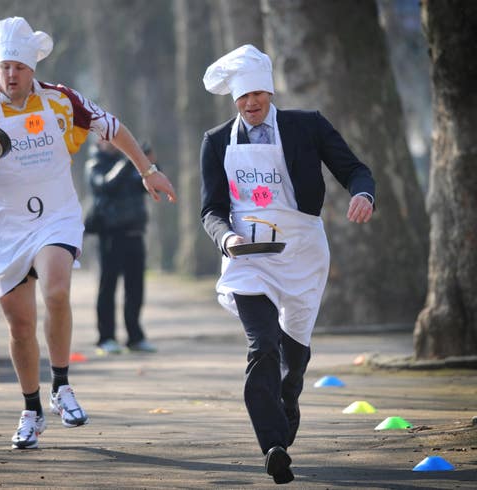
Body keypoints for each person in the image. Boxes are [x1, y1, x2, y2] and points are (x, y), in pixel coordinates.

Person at [0, 17, 176, 450]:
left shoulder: (62, 100)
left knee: (57, 290)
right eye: (5, 67)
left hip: (55, 216)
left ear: (33, 69)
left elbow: (114, 127)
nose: (11, 76)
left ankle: (62, 385)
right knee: (21, 325)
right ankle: (31, 410)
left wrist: (148, 171)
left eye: (19, 68)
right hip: (1, 226)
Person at [200, 45, 375, 484]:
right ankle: (273, 445)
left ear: (270, 92)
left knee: (292, 358)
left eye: (258, 94)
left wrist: (362, 194)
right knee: (262, 345)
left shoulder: (307, 126)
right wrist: (227, 237)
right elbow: (211, 210)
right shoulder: (217, 140)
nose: (251, 103)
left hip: (301, 252)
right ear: (234, 100)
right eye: (243, 97)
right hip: (248, 256)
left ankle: (288, 399)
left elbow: (355, 169)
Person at [85, 140, 156, 355]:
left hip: (135, 232)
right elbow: (106, 185)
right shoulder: (95, 165)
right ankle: (106, 338)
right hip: (110, 235)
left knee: (135, 288)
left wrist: (148, 162)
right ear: (99, 142)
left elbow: (149, 183)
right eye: (107, 139)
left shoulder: (130, 164)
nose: (113, 143)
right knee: (108, 287)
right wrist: (130, 160)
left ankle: (135, 337)